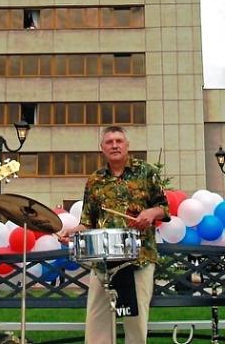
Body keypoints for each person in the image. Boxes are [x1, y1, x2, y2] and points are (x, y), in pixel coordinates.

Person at [60, 125, 169, 344]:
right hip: (102, 262)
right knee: (97, 324)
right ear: (102, 148)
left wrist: (150, 212)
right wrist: (73, 232)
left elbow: (164, 208)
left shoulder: (146, 172)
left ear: (127, 146)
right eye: (109, 142)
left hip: (139, 258)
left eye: (119, 141)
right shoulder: (95, 180)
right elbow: (87, 222)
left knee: (135, 323)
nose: (115, 145)